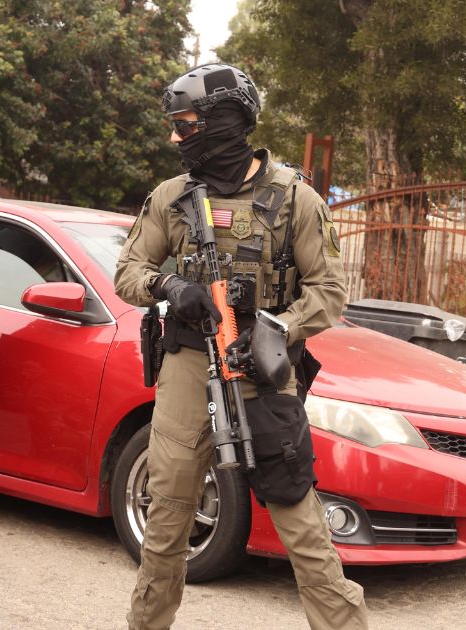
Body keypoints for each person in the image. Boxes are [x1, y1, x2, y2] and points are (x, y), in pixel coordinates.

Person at [115, 63, 369, 630]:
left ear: (222, 122)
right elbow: (128, 271)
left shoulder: (295, 199)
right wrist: (170, 286)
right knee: (167, 517)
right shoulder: (172, 197)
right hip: (185, 363)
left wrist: (276, 329)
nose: (174, 138)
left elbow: (329, 293)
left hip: (260, 365)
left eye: (184, 125)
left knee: (298, 516)